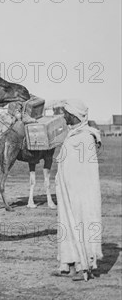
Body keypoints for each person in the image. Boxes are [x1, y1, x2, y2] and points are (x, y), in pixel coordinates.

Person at [56, 99, 103, 281]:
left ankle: (84, 266)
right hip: (68, 192)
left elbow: (86, 173)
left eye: (66, 113)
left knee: (81, 225)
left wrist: (76, 190)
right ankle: (69, 264)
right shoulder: (73, 135)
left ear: (74, 115)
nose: (64, 116)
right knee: (67, 226)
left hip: (81, 195)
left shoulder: (84, 138)